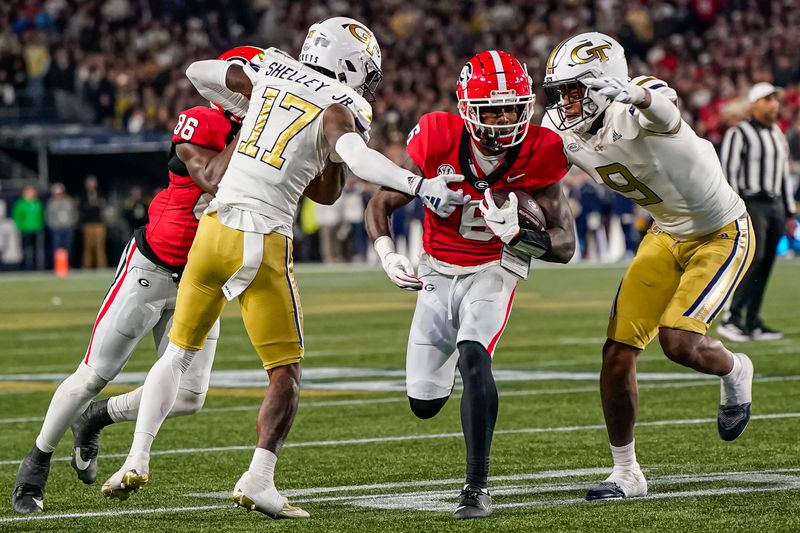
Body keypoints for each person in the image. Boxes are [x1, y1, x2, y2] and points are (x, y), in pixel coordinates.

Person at [102, 17, 467, 519]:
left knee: (177, 354)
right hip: (260, 235)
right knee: (285, 373)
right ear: (351, 64)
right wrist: (421, 185)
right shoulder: (340, 105)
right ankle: (259, 478)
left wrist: (251, 99)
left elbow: (198, 71)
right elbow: (357, 159)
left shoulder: (269, 70)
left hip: (210, 231)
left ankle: (137, 457)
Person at [9, 46, 265, 516]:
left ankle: (97, 419)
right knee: (93, 373)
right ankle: (35, 466)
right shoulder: (202, 121)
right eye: (255, 82)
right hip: (152, 266)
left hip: (202, 276)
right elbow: (212, 178)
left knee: (188, 398)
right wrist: (255, 130)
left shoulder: (258, 132)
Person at [541, 32, 755, 501]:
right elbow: (529, 168)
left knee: (679, 342)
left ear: (604, 82)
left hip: (720, 231)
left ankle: (735, 369)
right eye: (561, 91)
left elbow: (663, 108)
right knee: (616, 354)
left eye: (575, 88)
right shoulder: (563, 128)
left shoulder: (639, 102)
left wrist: (633, 93)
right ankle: (626, 473)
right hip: (664, 234)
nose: (565, 101)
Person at [366, 50, 574, 519]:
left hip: (497, 266)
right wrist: (387, 253)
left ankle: (476, 488)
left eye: (513, 107)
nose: (504, 120)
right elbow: (380, 204)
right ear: (466, 110)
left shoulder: (540, 150)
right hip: (436, 271)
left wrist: (522, 235)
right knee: (423, 403)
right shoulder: (437, 138)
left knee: (475, 354)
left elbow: (565, 246)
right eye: (492, 109)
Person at [717, 83, 797, 342]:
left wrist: (789, 212)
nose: (774, 104)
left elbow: (783, 176)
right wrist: (734, 208)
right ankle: (731, 318)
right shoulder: (738, 132)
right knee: (753, 258)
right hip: (750, 202)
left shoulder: (777, 133)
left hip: (774, 204)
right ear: (753, 104)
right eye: (768, 99)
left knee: (766, 262)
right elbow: (729, 173)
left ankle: (752, 320)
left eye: (776, 99)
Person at [11, 185, 44, 270]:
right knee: (26, 249)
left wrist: (41, 225)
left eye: (32, 191)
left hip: (37, 229)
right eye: (29, 191)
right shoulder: (21, 204)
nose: (31, 193)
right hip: (25, 229)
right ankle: (28, 266)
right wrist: (20, 226)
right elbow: (17, 216)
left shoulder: (37, 203)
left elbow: (42, 216)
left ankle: (39, 266)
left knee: (38, 250)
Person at [79, 175, 107, 269]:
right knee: (88, 247)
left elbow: (102, 207)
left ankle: (101, 265)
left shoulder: (100, 193)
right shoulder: (83, 195)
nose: (91, 185)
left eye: (92, 183)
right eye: (89, 183)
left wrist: (93, 205)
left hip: (99, 224)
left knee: (100, 246)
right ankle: (87, 266)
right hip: (88, 224)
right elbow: (83, 208)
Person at [45, 182, 78, 260]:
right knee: (56, 247)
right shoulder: (51, 203)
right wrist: (52, 226)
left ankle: (69, 264)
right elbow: (48, 216)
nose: (58, 195)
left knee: (68, 247)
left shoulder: (69, 201)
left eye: (60, 193)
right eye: (56, 193)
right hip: (56, 229)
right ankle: (57, 266)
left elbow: (74, 213)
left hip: (67, 227)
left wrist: (72, 223)